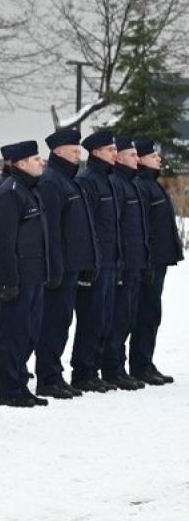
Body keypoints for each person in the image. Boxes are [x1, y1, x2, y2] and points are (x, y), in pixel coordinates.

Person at [33, 127, 95, 400]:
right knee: (53, 323)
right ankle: (47, 376)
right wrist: (54, 266)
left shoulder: (70, 181)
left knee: (62, 322)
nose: (78, 154)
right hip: (60, 267)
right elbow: (52, 231)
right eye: (74, 149)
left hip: (72, 265)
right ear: (58, 151)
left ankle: (54, 373)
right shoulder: (51, 182)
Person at [0, 142, 53, 407]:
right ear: (20, 163)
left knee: (29, 333)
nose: (42, 162)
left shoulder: (29, 190)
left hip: (34, 275)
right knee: (12, 335)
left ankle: (20, 385)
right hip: (18, 278)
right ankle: (10, 389)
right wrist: (9, 280)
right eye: (36, 159)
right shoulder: (10, 193)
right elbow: (3, 242)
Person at [72, 130, 120, 393]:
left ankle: (96, 367)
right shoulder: (88, 180)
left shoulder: (108, 179)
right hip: (96, 262)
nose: (115, 153)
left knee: (104, 317)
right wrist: (91, 262)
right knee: (91, 317)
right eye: (110, 150)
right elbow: (88, 226)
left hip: (111, 261)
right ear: (97, 152)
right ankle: (84, 370)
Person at [130, 139, 180, 384]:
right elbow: (144, 228)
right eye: (153, 156)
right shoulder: (141, 185)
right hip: (149, 262)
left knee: (152, 314)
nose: (159, 159)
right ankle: (139, 365)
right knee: (144, 314)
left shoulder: (152, 184)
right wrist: (148, 261)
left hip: (158, 261)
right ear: (139, 159)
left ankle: (145, 362)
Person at [105, 137, 149, 390]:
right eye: (131, 154)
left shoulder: (130, 184)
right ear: (119, 158)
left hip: (134, 262)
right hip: (122, 262)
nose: (137, 158)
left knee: (128, 316)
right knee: (118, 317)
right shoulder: (118, 184)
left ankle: (118, 367)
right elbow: (116, 228)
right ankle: (113, 367)